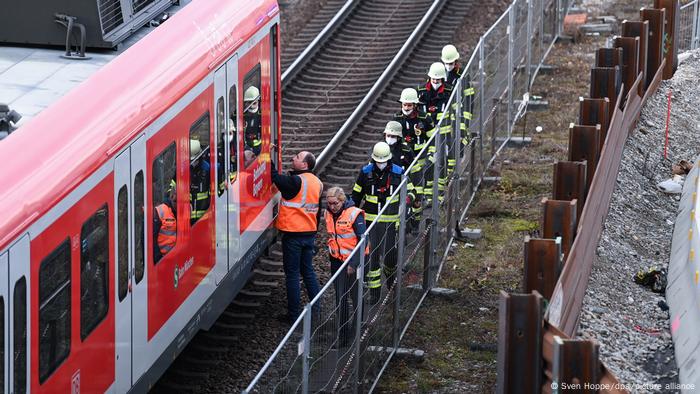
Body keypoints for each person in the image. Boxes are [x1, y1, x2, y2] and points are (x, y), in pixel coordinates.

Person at [352, 142, 414, 304]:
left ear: (389, 159)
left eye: (383, 161)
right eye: (378, 161)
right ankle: (374, 294)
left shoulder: (398, 173)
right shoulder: (365, 173)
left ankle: (391, 279)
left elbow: (411, 191)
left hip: (391, 225)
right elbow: (356, 195)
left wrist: (409, 201)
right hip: (371, 224)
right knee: (372, 259)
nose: (381, 164)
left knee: (389, 259)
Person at [272, 150, 323, 323]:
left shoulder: (296, 181)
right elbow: (318, 210)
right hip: (309, 234)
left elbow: (275, 178)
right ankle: (317, 309)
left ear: (305, 165)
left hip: (294, 235)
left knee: (292, 275)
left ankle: (293, 316)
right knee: (308, 271)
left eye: (297, 157)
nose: (293, 158)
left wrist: (266, 159)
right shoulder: (317, 182)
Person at [325, 187, 368, 348]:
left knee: (356, 297)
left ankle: (358, 330)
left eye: (335, 203)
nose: (332, 207)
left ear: (342, 201)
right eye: (329, 204)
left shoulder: (354, 214)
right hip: (337, 261)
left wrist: (353, 263)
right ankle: (342, 336)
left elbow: (363, 240)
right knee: (340, 298)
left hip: (354, 262)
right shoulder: (328, 213)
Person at [418, 62, 453, 203]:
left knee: (441, 162)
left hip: (443, 134)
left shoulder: (449, 92)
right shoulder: (421, 92)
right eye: (433, 79)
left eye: (438, 80)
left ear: (442, 80)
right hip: (426, 134)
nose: (435, 82)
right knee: (427, 163)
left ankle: (439, 195)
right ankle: (427, 195)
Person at [441, 44, 475, 172]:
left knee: (458, 138)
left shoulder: (463, 75)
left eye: (451, 63)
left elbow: (469, 97)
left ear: (456, 62)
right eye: (446, 63)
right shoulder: (439, 73)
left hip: (458, 113)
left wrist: (465, 119)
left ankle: (456, 166)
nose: (449, 65)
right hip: (443, 114)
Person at [154, 179, 177, 263]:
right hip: (162, 259)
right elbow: (151, 239)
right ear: (171, 197)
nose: (178, 205)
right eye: (175, 201)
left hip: (176, 259)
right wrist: (158, 260)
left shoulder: (184, 210)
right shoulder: (160, 211)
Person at [189, 139, 210, 224]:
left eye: (194, 160)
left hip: (204, 216)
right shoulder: (184, 168)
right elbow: (173, 186)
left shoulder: (207, 168)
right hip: (188, 217)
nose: (193, 163)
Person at [243, 86, 262, 156]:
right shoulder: (240, 115)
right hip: (245, 148)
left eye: (254, 103)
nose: (251, 106)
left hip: (260, 147)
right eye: (248, 103)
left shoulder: (262, 114)